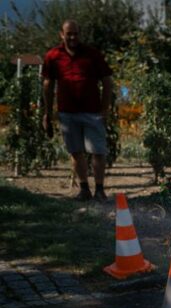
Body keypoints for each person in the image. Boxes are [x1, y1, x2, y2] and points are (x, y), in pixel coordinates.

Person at [42, 20, 113, 202]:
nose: (73, 37)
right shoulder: (53, 56)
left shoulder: (92, 55)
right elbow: (48, 85)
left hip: (92, 111)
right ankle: (84, 189)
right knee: (76, 151)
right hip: (67, 113)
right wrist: (47, 113)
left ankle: (99, 189)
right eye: (69, 33)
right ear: (61, 34)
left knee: (98, 151)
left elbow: (107, 81)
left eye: (75, 33)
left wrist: (105, 109)